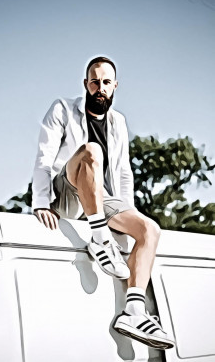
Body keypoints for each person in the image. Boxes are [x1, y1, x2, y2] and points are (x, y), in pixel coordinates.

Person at [32, 56, 175, 350]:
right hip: (68, 190)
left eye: (106, 82)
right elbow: (45, 159)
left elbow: (123, 171)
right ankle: (99, 239)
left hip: (101, 198)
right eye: (95, 81)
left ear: (115, 86)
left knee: (150, 230)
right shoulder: (62, 109)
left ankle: (134, 312)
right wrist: (41, 202)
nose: (100, 87)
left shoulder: (118, 121)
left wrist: (128, 214)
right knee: (91, 151)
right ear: (86, 84)